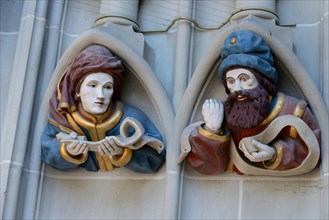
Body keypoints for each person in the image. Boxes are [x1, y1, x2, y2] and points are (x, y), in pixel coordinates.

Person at [178, 29, 320, 176]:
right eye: (231, 82)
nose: (237, 89)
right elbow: (210, 167)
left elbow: (313, 149)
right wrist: (212, 129)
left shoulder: (294, 110)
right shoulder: (226, 115)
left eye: (244, 79)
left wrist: (275, 154)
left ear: (261, 79)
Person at [41, 44, 165, 173]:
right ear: (77, 90)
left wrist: (122, 152)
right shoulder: (63, 119)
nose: (100, 95)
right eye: (93, 85)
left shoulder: (131, 117)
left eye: (107, 87)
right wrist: (67, 151)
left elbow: (155, 156)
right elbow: (46, 151)